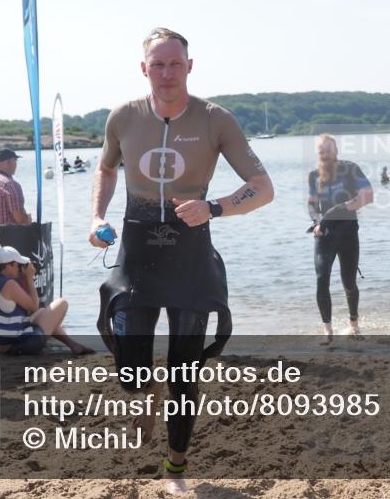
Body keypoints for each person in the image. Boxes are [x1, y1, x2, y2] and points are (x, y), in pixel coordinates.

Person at [89, 27, 273, 489]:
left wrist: (214, 207)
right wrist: (95, 218)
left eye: (175, 64)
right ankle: (142, 393)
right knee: (131, 368)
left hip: (189, 256)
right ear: (144, 68)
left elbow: (262, 187)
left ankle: (176, 469)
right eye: (158, 64)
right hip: (136, 254)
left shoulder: (216, 120)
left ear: (189, 66)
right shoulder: (122, 118)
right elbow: (106, 167)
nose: (167, 73)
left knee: (184, 371)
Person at [307, 134, 374, 345]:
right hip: (324, 235)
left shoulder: (350, 169)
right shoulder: (313, 175)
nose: (325, 155)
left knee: (349, 282)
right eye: (321, 152)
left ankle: (354, 325)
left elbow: (368, 195)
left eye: (328, 150)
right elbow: (311, 204)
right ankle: (328, 331)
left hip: (347, 233)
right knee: (321, 280)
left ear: (336, 150)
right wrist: (317, 221)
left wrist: (340, 208)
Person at [0, 245, 90, 356]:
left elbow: (31, 311)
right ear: (9, 266)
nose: (20, 268)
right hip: (14, 345)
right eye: (18, 265)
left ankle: (73, 345)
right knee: (62, 303)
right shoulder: (9, 285)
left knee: (43, 312)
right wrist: (29, 278)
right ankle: (74, 346)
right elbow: (33, 307)